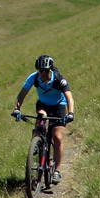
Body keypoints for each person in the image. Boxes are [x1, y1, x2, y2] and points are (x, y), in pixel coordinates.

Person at [12, 55, 75, 183]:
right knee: (41, 117)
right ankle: (37, 139)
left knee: (57, 137)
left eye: (46, 71)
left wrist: (71, 113)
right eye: (41, 71)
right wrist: (17, 109)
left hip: (59, 106)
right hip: (43, 105)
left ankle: (56, 171)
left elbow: (69, 97)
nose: (43, 74)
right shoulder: (34, 78)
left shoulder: (59, 79)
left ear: (50, 70)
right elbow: (22, 94)